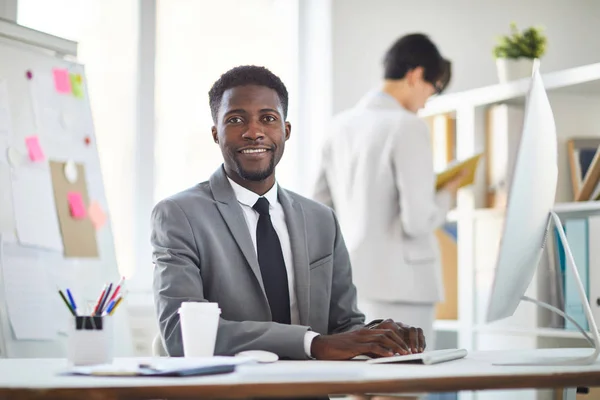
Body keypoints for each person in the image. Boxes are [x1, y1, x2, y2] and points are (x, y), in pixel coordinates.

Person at [152, 65, 426, 362]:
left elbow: (343, 327)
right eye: (235, 119)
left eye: (268, 119)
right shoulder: (179, 215)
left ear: (286, 130)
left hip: (311, 391)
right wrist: (311, 344)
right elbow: (181, 334)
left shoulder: (322, 220)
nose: (253, 132)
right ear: (216, 134)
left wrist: (381, 337)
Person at [313, 34, 465, 347]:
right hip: (404, 286)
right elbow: (417, 221)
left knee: (363, 382)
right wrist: (447, 192)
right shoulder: (408, 126)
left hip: (352, 282)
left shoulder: (338, 126)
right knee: (404, 385)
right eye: (432, 89)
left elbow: (320, 209)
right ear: (416, 74)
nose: (426, 101)